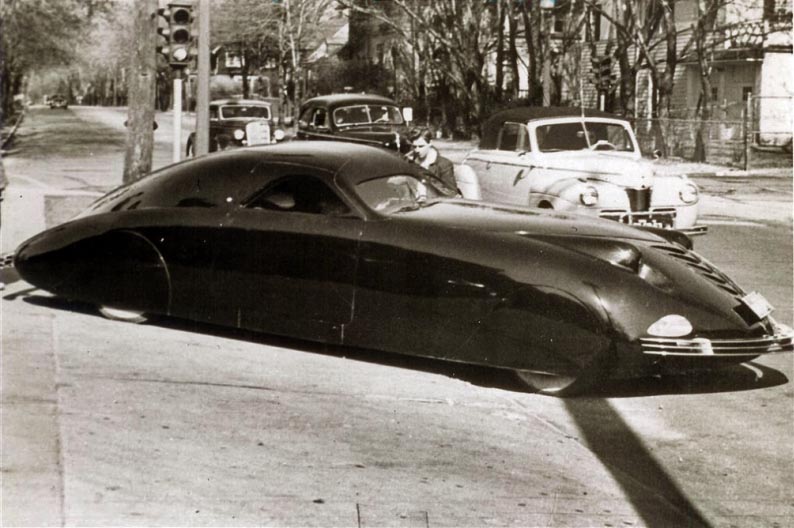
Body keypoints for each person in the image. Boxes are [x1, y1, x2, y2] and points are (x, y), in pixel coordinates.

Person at [407, 128, 457, 193]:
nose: (417, 150)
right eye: (414, 147)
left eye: (421, 146)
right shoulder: (409, 162)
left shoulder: (444, 164)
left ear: (430, 144)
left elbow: (451, 192)